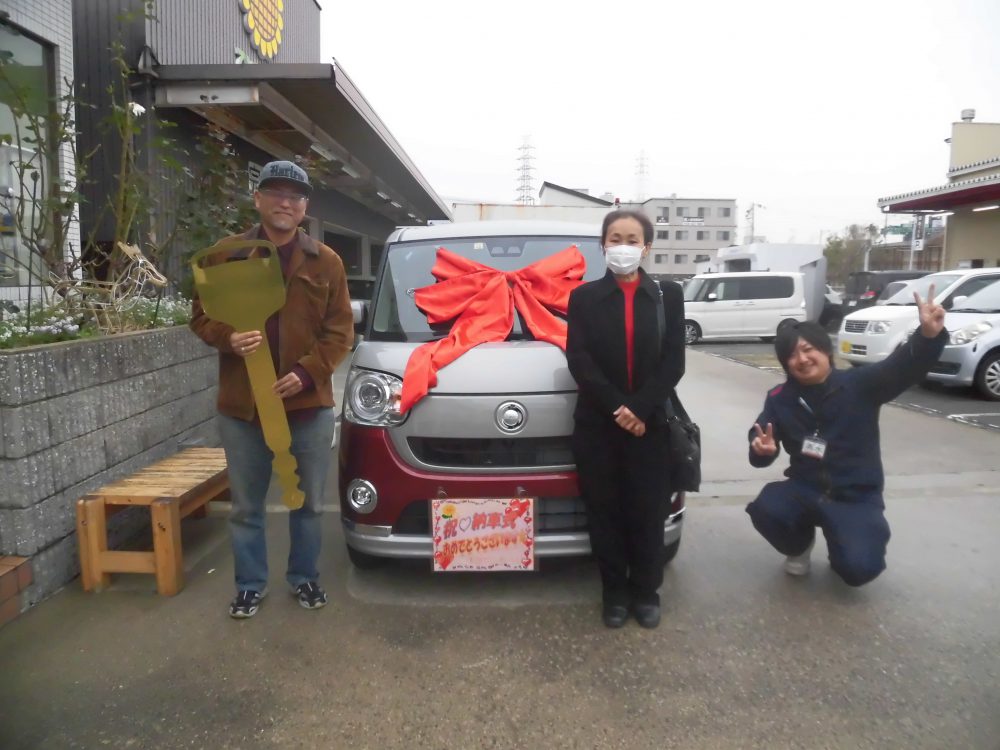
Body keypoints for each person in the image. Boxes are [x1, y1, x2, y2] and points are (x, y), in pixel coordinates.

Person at [190, 160, 354, 618]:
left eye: (295, 195)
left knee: (308, 503)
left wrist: (307, 372)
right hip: (243, 406)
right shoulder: (224, 255)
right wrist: (228, 338)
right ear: (258, 198)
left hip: (308, 405)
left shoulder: (326, 261)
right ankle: (249, 585)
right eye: (276, 192)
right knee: (246, 506)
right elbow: (200, 317)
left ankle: (305, 577)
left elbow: (341, 331)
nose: (286, 202)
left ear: (305, 207)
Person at [745, 288, 947, 586]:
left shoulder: (860, 385)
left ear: (826, 350)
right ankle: (799, 547)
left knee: (858, 569)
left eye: (808, 349)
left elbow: (903, 367)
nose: (802, 359)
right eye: (791, 355)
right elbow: (762, 437)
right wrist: (761, 450)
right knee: (768, 509)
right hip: (804, 489)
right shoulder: (779, 398)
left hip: (855, 496)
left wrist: (928, 336)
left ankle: (844, 542)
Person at [566, 210, 686, 628]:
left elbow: (674, 362)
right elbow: (579, 359)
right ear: (603, 244)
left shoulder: (668, 295)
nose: (623, 246)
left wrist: (640, 408)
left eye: (632, 239)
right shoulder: (583, 298)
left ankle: (646, 591)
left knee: (648, 512)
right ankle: (614, 593)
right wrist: (619, 407)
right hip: (598, 425)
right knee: (605, 513)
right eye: (615, 238)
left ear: (646, 247)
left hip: (650, 426)